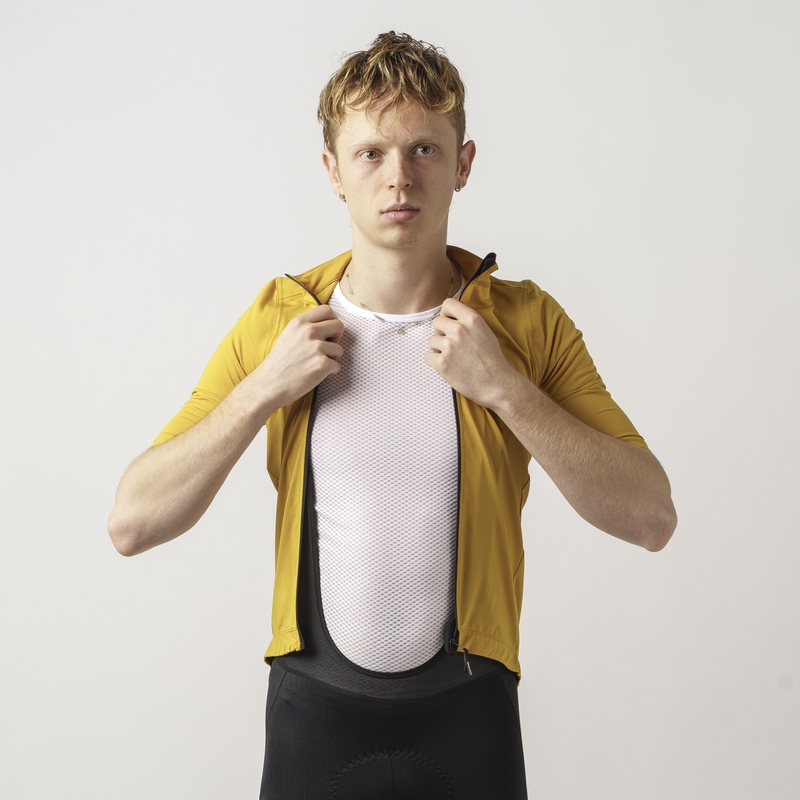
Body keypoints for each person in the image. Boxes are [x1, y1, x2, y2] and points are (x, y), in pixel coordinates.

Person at [108, 31, 677, 800]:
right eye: (371, 153)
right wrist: (262, 390)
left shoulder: (524, 324)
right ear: (333, 171)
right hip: (313, 719)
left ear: (463, 163)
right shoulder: (281, 322)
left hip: (470, 720)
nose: (399, 177)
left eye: (423, 150)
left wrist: (506, 389)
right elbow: (133, 523)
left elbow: (650, 516)